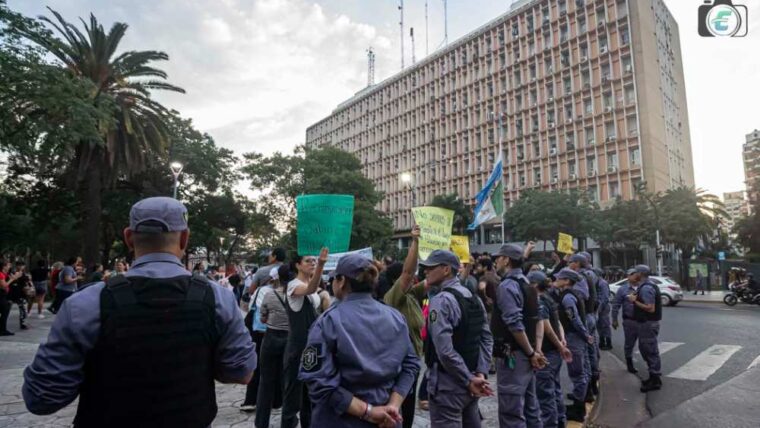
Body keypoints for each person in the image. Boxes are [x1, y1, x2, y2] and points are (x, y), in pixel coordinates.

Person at [22, 196, 256, 427]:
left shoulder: (84, 303)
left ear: (128, 238)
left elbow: (42, 399)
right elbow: (242, 372)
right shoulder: (219, 299)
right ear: (185, 238)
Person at [300, 252, 421, 427]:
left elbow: (317, 379)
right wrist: (393, 405)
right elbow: (411, 364)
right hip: (388, 419)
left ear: (341, 281)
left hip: (340, 421)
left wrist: (368, 411)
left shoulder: (328, 321)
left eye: (334, 278)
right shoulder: (396, 317)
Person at [423, 249, 494, 427]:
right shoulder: (473, 298)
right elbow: (486, 339)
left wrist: (469, 379)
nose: (425, 271)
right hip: (472, 379)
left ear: (446, 269)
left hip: (449, 385)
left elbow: (444, 351)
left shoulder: (441, 300)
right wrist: (480, 372)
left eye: (431, 267)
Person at [491, 244, 545, 427]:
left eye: (498, 258)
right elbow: (538, 319)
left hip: (514, 356)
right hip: (527, 355)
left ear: (506, 260)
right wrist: (536, 350)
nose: (496, 262)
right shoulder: (527, 284)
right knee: (531, 409)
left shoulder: (507, 286)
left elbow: (514, 324)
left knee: (511, 412)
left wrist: (531, 352)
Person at [384, 225, 426, 428]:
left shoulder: (411, 294)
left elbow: (432, 280)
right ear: (396, 279)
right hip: (401, 362)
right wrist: (415, 241)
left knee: (408, 408)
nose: (414, 278)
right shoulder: (393, 297)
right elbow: (408, 272)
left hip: (414, 360)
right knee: (400, 406)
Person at [281, 252, 324, 428]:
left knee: (310, 394)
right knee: (293, 394)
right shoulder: (293, 285)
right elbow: (310, 290)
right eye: (308, 261)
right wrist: (321, 265)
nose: (312, 263)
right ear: (298, 265)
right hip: (297, 347)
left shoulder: (309, 284)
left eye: (314, 260)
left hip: (311, 346)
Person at [532, 270, 573, 428]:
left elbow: (547, 328)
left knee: (545, 395)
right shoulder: (549, 298)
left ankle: (551, 424)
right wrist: (562, 340)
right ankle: (560, 420)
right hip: (555, 352)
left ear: (535, 285)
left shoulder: (540, 301)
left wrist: (559, 346)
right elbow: (559, 323)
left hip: (548, 352)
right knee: (555, 389)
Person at [255, 265, 291, 428]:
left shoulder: (269, 295)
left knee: (265, 382)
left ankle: (261, 422)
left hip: (270, 338)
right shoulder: (297, 296)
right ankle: (287, 422)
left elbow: (263, 319)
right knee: (287, 383)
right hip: (289, 340)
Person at [554, 268, 592, 422]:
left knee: (577, 374)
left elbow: (574, 319)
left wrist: (585, 335)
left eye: (559, 278)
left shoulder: (568, 298)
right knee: (581, 373)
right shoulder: (572, 294)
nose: (556, 281)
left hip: (573, 337)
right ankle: (579, 404)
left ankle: (578, 410)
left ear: (567, 281)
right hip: (576, 337)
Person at [241, 266, 277, 413]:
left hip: (259, 332)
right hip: (264, 332)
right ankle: (268, 400)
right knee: (267, 366)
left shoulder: (261, 290)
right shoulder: (268, 291)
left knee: (259, 365)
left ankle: (252, 400)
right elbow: (264, 314)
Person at [568, 253, 598, 402]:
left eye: (570, 262)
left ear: (577, 263)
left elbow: (581, 296)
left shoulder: (580, 277)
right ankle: (590, 387)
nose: (568, 264)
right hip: (590, 314)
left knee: (584, 355)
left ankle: (586, 391)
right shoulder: (589, 274)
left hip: (584, 316)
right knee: (589, 353)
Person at [631, 265, 663, 392]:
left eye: (636, 272)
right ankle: (653, 377)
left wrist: (634, 301)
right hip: (646, 323)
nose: (634, 275)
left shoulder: (646, 288)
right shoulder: (645, 286)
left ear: (640, 274)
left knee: (650, 350)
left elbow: (650, 308)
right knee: (646, 349)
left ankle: (655, 380)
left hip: (648, 323)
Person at [611, 269, 641, 374]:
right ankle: (629, 364)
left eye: (636, 274)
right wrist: (614, 319)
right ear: (628, 276)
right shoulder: (623, 289)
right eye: (631, 274)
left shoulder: (643, 287)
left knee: (645, 344)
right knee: (629, 343)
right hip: (630, 321)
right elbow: (616, 305)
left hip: (644, 321)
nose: (634, 276)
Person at [0, 260, 22, 336]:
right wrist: (12, 279)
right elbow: (4, 286)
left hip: (4, 296)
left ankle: (2, 329)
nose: (10, 266)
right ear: (4, 266)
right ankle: (2, 330)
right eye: (8, 265)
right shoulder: (1, 274)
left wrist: (15, 277)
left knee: (5, 312)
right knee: (4, 312)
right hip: (1, 296)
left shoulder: (4, 274)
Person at [9, 261, 32, 330]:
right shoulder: (15, 273)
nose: (21, 267)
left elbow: (27, 282)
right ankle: (23, 324)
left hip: (21, 293)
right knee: (22, 309)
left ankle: (23, 323)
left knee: (23, 309)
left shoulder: (23, 273)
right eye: (19, 265)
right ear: (17, 266)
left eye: (22, 265)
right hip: (17, 293)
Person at [594, 267, 613, 351]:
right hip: (599, 306)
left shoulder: (602, 283)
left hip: (603, 307)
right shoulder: (596, 282)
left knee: (605, 325)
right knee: (599, 325)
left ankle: (608, 342)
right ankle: (602, 341)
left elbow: (605, 298)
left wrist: (598, 309)